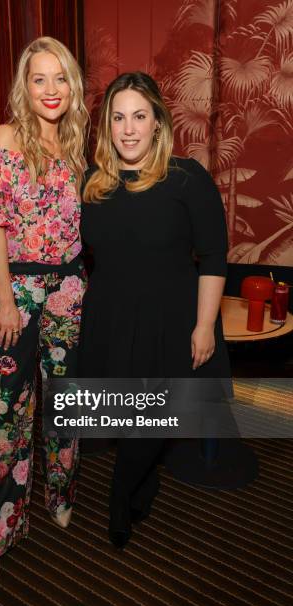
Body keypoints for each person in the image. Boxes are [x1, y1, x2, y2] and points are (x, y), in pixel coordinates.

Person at [79, 72, 230, 548]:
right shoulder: (92, 187)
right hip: (112, 321)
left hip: (172, 323)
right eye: (119, 118)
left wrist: (205, 325)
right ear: (107, 126)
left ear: (157, 123)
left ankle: (119, 497)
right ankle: (145, 484)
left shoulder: (187, 178)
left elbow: (214, 255)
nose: (128, 129)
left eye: (139, 117)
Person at [0, 36, 88, 598]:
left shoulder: (79, 143)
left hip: (69, 288)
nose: (49, 90)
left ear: (72, 86)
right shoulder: (6, 140)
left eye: (59, 78)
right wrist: (8, 300)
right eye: (38, 78)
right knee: (4, 416)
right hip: (14, 288)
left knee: (64, 401)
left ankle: (60, 495)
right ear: (25, 85)